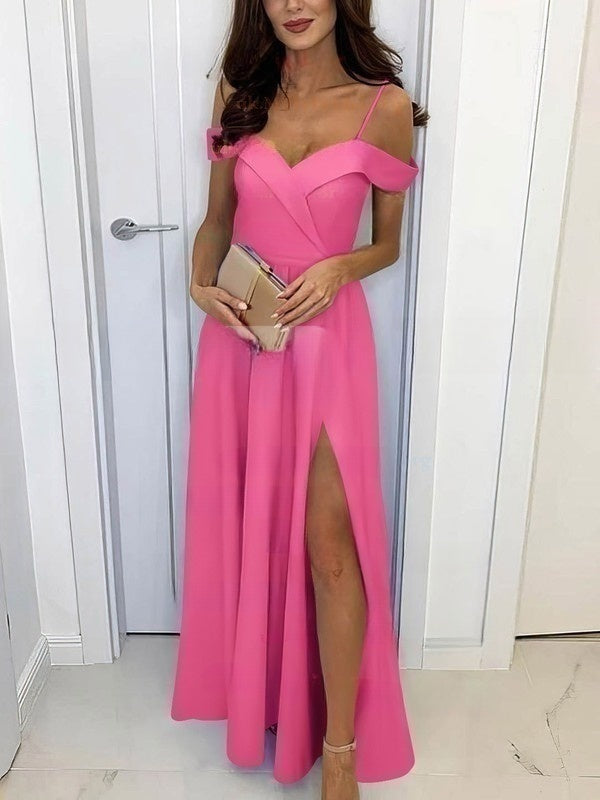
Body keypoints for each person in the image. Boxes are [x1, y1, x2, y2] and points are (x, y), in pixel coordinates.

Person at [171, 2, 428, 798]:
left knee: (330, 547)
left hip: (327, 345)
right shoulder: (240, 93)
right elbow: (217, 221)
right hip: (243, 343)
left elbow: (388, 243)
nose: (295, 4)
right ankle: (275, 699)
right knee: (255, 531)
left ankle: (341, 748)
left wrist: (343, 266)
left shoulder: (383, 107)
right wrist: (200, 286)